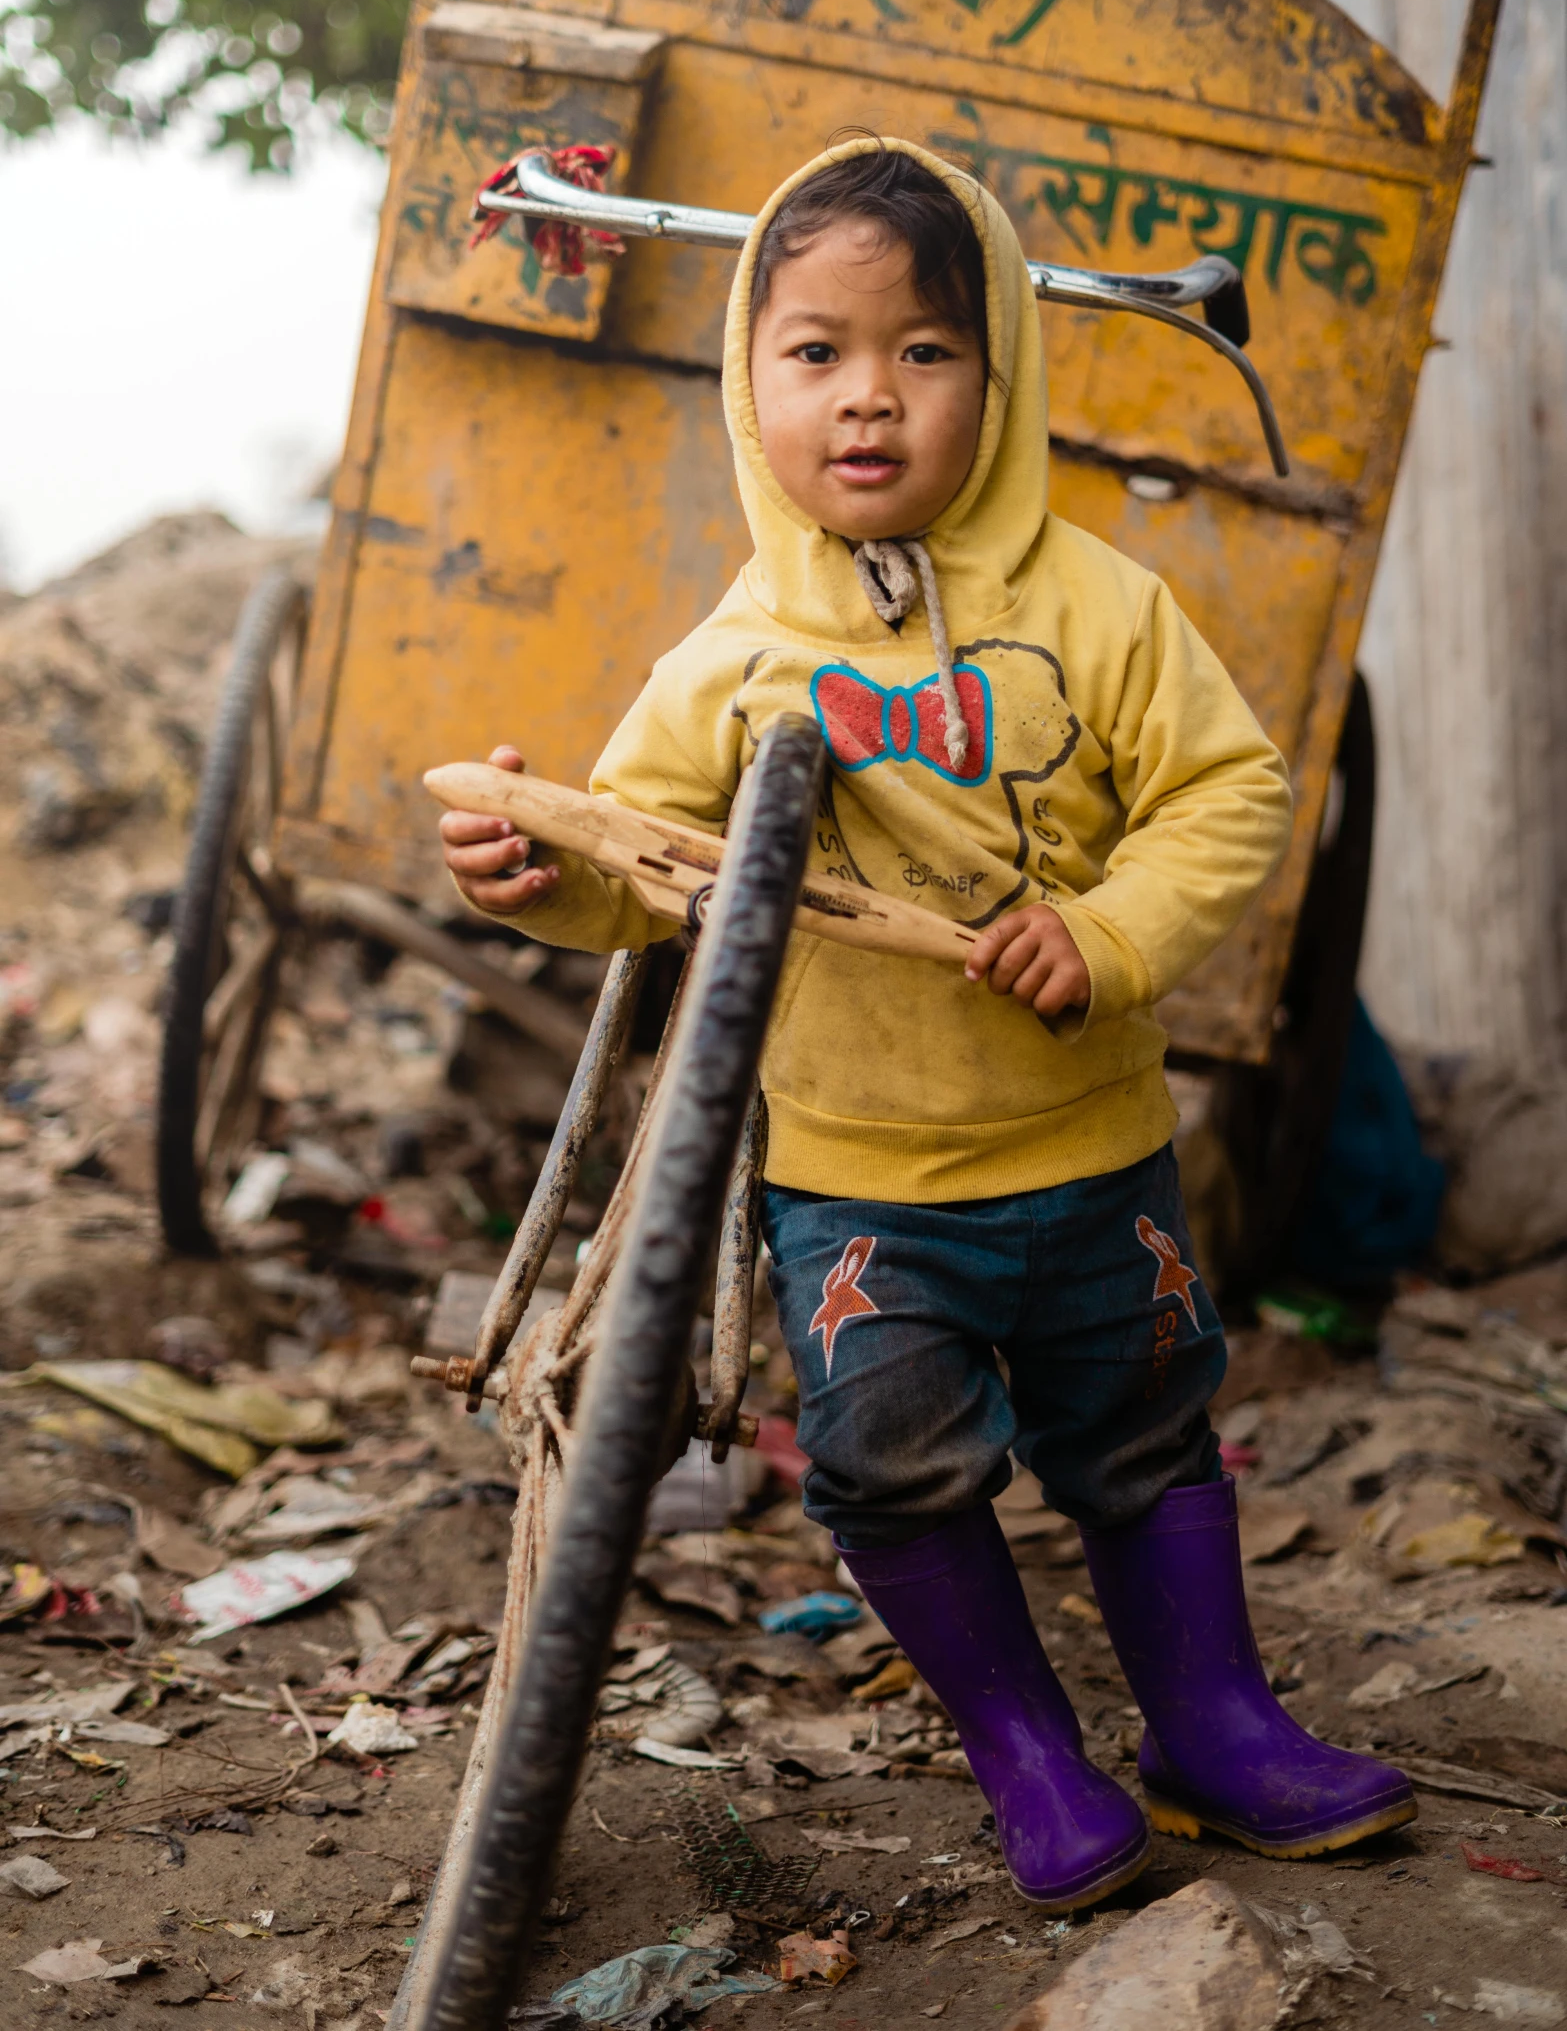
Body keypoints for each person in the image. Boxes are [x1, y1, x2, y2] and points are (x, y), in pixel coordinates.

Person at [439, 138, 1416, 1907]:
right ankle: (1025, 1750)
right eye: (814, 351)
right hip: (860, 1184)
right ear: (750, 384)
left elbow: (1227, 793)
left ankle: (1211, 1720)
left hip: (1092, 1150)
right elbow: (641, 878)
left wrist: (1111, 932)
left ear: (1004, 370)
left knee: (1141, 1436)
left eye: (924, 351)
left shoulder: (1101, 605)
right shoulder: (730, 665)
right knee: (892, 1465)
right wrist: (537, 867)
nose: (867, 398)